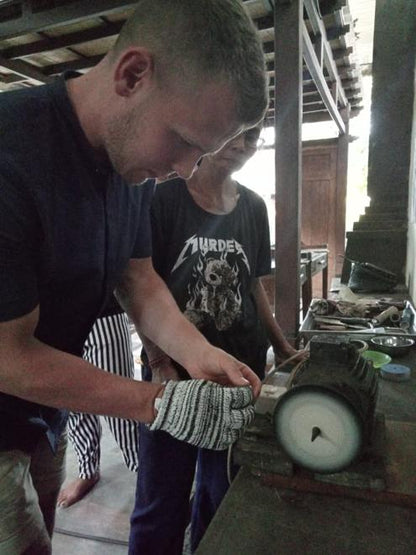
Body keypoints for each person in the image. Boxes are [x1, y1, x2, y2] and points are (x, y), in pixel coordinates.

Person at [0, 1, 268, 552]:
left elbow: (139, 281)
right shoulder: (12, 156)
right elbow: (8, 355)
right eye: (186, 143)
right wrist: (159, 403)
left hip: (38, 413)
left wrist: (199, 355)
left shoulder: (131, 167)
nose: (186, 170)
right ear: (132, 75)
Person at [129, 126, 305, 554]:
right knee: (160, 497)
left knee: (220, 490)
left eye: (255, 137)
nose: (245, 144)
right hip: (173, 378)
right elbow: (138, 284)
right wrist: (158, 361)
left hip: (238, 376)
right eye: (238, 132)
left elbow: (254, 285)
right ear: (214, 128)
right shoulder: (161, 199)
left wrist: (280, 346)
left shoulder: (254, 207)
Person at [57, 296, 140, 508]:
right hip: (52, 313)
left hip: (103, 310)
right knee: (72, 400)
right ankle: (88, 470)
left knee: (120, 404)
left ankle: (145, 470)